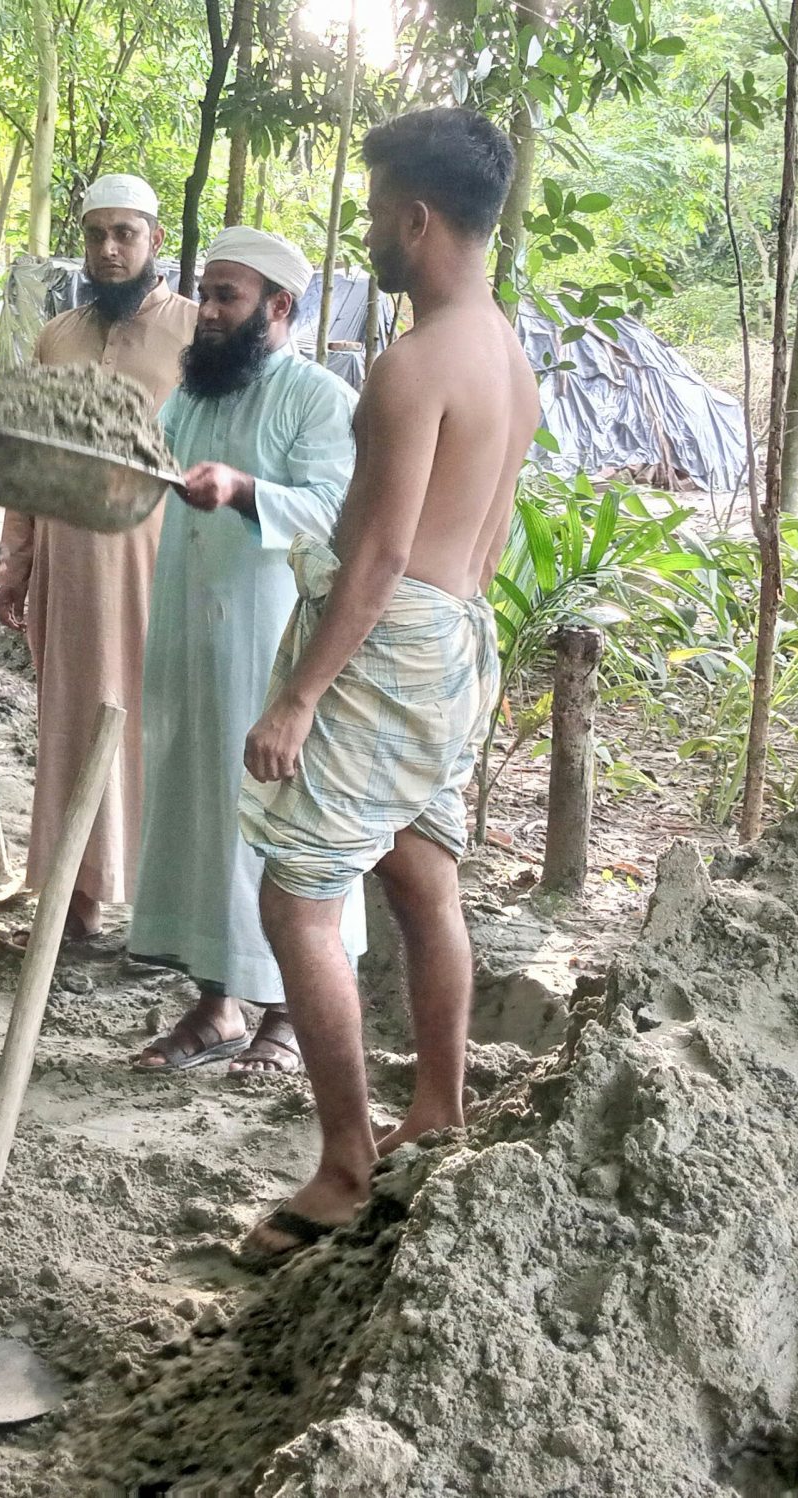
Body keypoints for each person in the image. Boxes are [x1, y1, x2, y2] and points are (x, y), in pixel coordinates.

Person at [232, 108, 536, 1270]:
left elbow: (375, 559)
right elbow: (484, 534)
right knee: (422, 873)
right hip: (459, 634)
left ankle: (346, 1165)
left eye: (374, 213)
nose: (370, 234)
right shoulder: (505, 352)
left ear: (417, 218)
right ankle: (440, 1108)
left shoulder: (415, 368)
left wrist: (301, 695)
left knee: (298, 897)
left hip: (391, 637)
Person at [128, 228, 368, 1076]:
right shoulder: (193, 398)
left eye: (228, 296)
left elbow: (341, 514)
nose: (210, 313)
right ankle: (214, 1004)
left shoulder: (318, 398)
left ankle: (287, 1017)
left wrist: (243, 490)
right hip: (190, 635)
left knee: (274, 826)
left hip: (272, 648)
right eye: (207, 293)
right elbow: (148, 459)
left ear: (281, 307)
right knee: (199, 811)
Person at [0, 173, 197, 947]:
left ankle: (162, 913)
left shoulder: (192, 331)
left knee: (159, 728)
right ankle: (74, 905)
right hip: (69, 569)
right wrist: (18, 559)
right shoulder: (60, 335)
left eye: (125, 234)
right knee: (72, 724)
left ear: (155, 242)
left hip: (159, 563)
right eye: (96, 234)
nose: (109, 250)